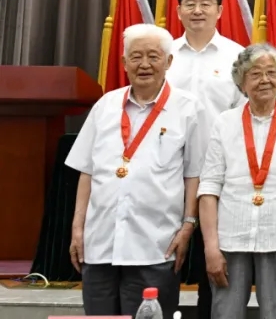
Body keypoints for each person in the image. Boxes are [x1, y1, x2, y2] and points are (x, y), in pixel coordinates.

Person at [67, 24, 211, 317]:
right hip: (100, 242)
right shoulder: (106, 105)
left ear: (168, 61)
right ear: (124, 62)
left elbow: (194, 175)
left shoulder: (188, 108)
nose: (144, 64)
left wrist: (188, 226)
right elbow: (87, 172)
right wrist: (78, 229)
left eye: (153, 56)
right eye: (135, 57)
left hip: (155, 245)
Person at [198, 43, 276, 319]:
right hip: (230, 236)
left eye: (271, 72)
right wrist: (211, 248)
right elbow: (209, 187)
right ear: (241, 82)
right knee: (225, 313)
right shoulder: (225, 122)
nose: (265, 80)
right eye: (255, 74)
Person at [169, 0, 246, 319]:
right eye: (190, 4)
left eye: (205, 3)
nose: (197, 10)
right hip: (169, 171)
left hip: (222, 174)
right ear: (179, 11)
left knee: (213, 262)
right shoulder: (165, 55)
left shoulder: (237, 56)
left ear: (220, 10)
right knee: (167, 256)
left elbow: (245, 116)